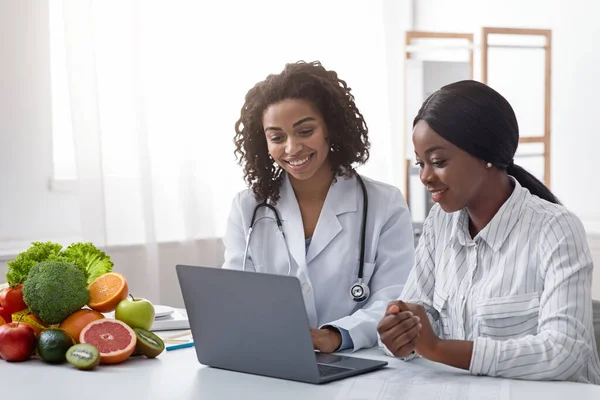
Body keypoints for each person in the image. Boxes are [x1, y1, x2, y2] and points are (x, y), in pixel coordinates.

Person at [377, 80, 600, 384]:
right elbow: (415, 319)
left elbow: (564, 351)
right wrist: (398, 334)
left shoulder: (556, 229)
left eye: (438, 161)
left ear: (486, 155)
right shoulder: (438, 224)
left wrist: (438, 348)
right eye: (420, 163)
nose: (425, 177)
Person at [222, 60, 415, 353]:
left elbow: (394, 299)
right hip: (274, 358)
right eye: (277, 137)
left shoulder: (384, 204)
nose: (292, 148)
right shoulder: (247, 208)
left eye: (305, 131)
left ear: (330, 128)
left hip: (359, 363)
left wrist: (336, 336)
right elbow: (235, 297)